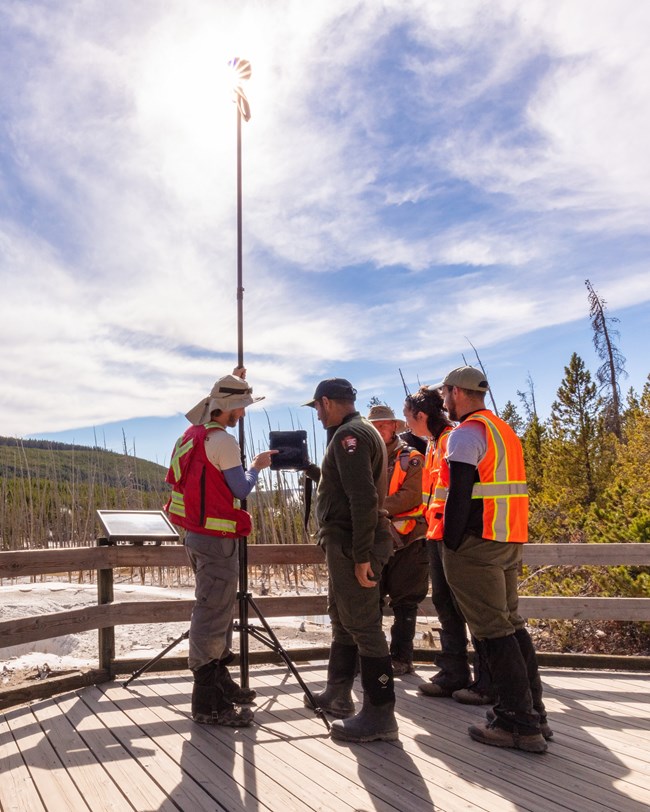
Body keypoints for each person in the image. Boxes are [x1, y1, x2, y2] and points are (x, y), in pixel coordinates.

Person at [434, 365, 551, 753]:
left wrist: (450, 543)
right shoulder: (503, 432)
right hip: (507, 538)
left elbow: (460, 494)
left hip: (476, 545)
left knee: (491, 631)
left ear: (456, 392)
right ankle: (534, 714)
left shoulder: (466, 435)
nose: (445, 402)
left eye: (446, 393)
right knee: (511, 624)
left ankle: (517, 722)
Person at [164, 368, 276, 727]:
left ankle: (220, 682)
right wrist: (257, 467)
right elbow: (240, 490)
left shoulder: (191, 436)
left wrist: (234, 377)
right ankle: (208, 701)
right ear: (226, 408)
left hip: (197, 537)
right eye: (239, 407)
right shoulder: (225, 442)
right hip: (217, 541)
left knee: (218, 607)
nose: (242, 414)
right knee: (212, 612)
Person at [302, 378, 398, 743]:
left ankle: (380, 714)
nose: (318, 415)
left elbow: (362, 497)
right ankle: (338, 692)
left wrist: (361, 557)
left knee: (364, 626)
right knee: (342, 617)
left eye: (317, 408)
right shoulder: (360, 432)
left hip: (353, 545)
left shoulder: (349, 437)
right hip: (344, 544)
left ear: (326, 402)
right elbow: (345, 488)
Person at [404, 386, 493, 705]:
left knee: (472, 608)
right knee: (445, 605)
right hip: (436, 535)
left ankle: (486, 679)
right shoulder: (432, 443)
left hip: (454, 538)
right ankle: (453, 671)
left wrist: (454, 538)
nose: (405, 424)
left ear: (421, 416)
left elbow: (459, 494)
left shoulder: (451, 441)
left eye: (407, 417)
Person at [367, 405, 429, 676]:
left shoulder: (412, 458)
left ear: (394, 426)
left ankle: (402, 658)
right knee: (371, 602)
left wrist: (372, 508)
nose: (380, 430)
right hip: (375, 540)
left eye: (384, 425)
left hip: (409, 540)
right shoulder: (364, 458)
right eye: (375, 425)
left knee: (405, 603)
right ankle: (374, 658)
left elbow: (412, 495)